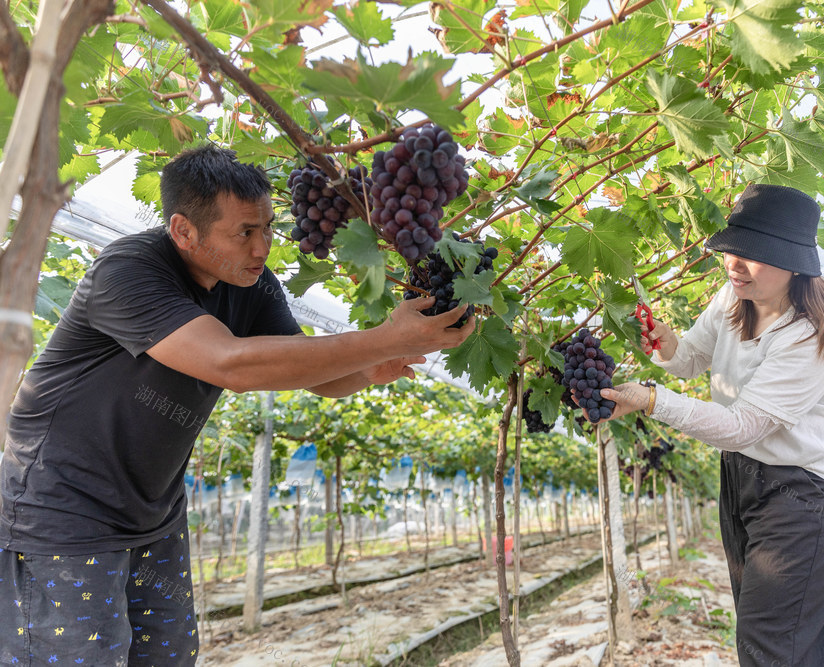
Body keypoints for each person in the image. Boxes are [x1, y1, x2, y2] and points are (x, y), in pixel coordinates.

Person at [0, 144, 474, 665]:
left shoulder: (251, 284)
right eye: (245, 232)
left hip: (153, 511)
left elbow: (312, 375)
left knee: (169, 656)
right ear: (184, 231)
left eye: (269, 227)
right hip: (61, 509)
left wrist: (367, 370)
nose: (263, 246)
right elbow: (231, 364)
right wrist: (382, 339)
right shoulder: (127, 272)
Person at [602, 183, 824, 667]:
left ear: (795, 263)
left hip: (810, 492)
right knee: (782, 633)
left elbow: (744, 425)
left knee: (769, 639)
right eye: (730, 253)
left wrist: (652, 401)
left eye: (752, 256)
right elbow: (694, 359)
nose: (734, 265)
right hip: (746, 475)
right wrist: (664, 343)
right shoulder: (732, 297)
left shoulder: (810, 335)